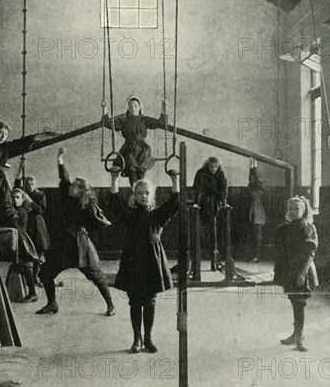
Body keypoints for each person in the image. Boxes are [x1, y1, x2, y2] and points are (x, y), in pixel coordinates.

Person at [35, 147, 115, 316]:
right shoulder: (66, 196)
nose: (70, 186)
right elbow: (64, 178)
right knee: (46, 273)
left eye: (74, 186)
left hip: (79, 244)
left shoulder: (87, 206)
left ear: (80, 190)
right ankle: (52, 304)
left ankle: (110, 305)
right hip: (63, 243)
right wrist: (60, 159)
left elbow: (101, 222)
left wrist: (88, 228)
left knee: (96, 276)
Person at [109, 168, 179, 353]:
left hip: (152, 261)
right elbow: (115, 203)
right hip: (133, 261)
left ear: (152, 195)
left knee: (150, 301)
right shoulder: (130, 215)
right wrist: (114, 178)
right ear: (134, 196)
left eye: (147, 193)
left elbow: (174, 203)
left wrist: (174, 179)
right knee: (134, 301)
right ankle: (137, 339)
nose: (143, 196)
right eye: (139, 193)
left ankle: (148, 338)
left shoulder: (158, 215)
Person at [0, 119, 54, 230]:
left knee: (4, 208)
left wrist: (36, 137)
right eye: (0, 133)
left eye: (5, 134)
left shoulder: (6, 148)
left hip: (0, 182)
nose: (2, 136)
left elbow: (20, 143)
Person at [273, 196, 318, 352]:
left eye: (296, 209)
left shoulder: (308, 228)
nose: (292, 212)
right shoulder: (286, 228)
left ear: (304, 210)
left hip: (302, 270)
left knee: (299, 304)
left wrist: (302, 274)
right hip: (290, 270)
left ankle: (299, 337)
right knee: (294, 301)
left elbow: (310, 254)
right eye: (290, 208)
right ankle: (296, 333)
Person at [103, 96, 167, 186]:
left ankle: (140, 193)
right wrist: (104, 109)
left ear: (140, 107)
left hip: (142, 149)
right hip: (129, 149)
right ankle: (134, 192)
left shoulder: (144, 120)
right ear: (128, 108)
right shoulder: (124, 121)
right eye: (130, 106)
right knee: (132, 173)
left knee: (141, 174)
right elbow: (108, 123)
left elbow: (160, 123)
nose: (133, 108)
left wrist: (164, 108)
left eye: (136, 106)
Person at [14, 170, 50, 287]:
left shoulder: (40, 195)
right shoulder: (23, 194)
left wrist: (30, 201)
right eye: (28, 184)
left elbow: (41, 210)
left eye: (32, 184)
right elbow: (16, 185)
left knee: (38, 251)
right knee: (28, 250)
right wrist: (20, 168)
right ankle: (27, 277)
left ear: (36, 184)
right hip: (27, 225)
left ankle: (36, 276)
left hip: (38, 225)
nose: (30, 186)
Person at [192, 156, 228, 270]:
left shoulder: (221, 174)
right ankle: (197, 259)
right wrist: (196, 202)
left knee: (216, 232)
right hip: (203, 204)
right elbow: (197, 189)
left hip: (216, 204)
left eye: (216, 167)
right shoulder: (201, 173)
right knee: (202, 232)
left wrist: (223, 202)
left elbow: (224, 189)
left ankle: (215, 260)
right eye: (211, 166)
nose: (213, 169)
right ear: (207, 165)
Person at [8, 188, 41, 302]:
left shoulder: (21, 211)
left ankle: (33, 293)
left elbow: (16, 227)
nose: (15, 199)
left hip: (21, 240)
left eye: (18, 197)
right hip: (17, 239)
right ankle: (8, 291)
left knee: (25, 266)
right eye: (13, 197)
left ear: (22, 200)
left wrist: (12, 216)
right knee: (16, 265)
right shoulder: (15, 210)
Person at [247, 158, 266, 263]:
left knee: (258, 236)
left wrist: (255, 165)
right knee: (252, 236)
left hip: (258, 214)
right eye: (251, 178)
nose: (251, 179)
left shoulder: (259, 188)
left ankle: (257, 256)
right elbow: (251, 176)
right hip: (252, 213)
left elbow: (256, 177)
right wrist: (251, 165)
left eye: (253, 178)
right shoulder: (251, 187)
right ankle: (253, 255)